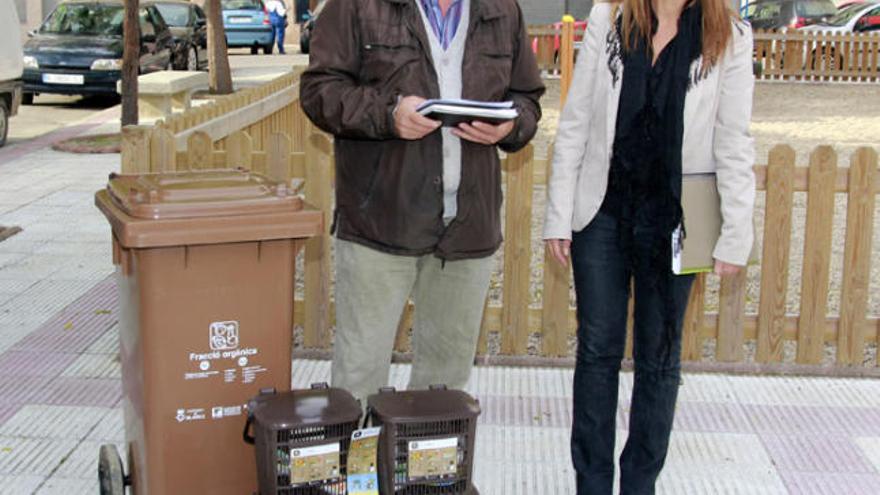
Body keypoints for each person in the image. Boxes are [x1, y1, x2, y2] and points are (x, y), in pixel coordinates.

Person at [543, 0, 755, 493]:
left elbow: (733, 139)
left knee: (660, 358)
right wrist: (558, 215)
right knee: (597, 351)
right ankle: (591, 483)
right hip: (604, 212)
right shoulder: (609, 19)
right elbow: (576, 119)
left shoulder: (732, 37)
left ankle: (640, 484)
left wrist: (735, 233)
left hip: (683, 218)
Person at [300, 0, 544, 404]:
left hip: (468, 225)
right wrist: (388, 113)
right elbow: (319, 89)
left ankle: (430, 466)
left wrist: (513, 123)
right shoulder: (355, 5)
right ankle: (359, 467)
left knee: (444, 385)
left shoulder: (503, 10)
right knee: (359, 378)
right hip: (379, 220)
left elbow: (528, 96)